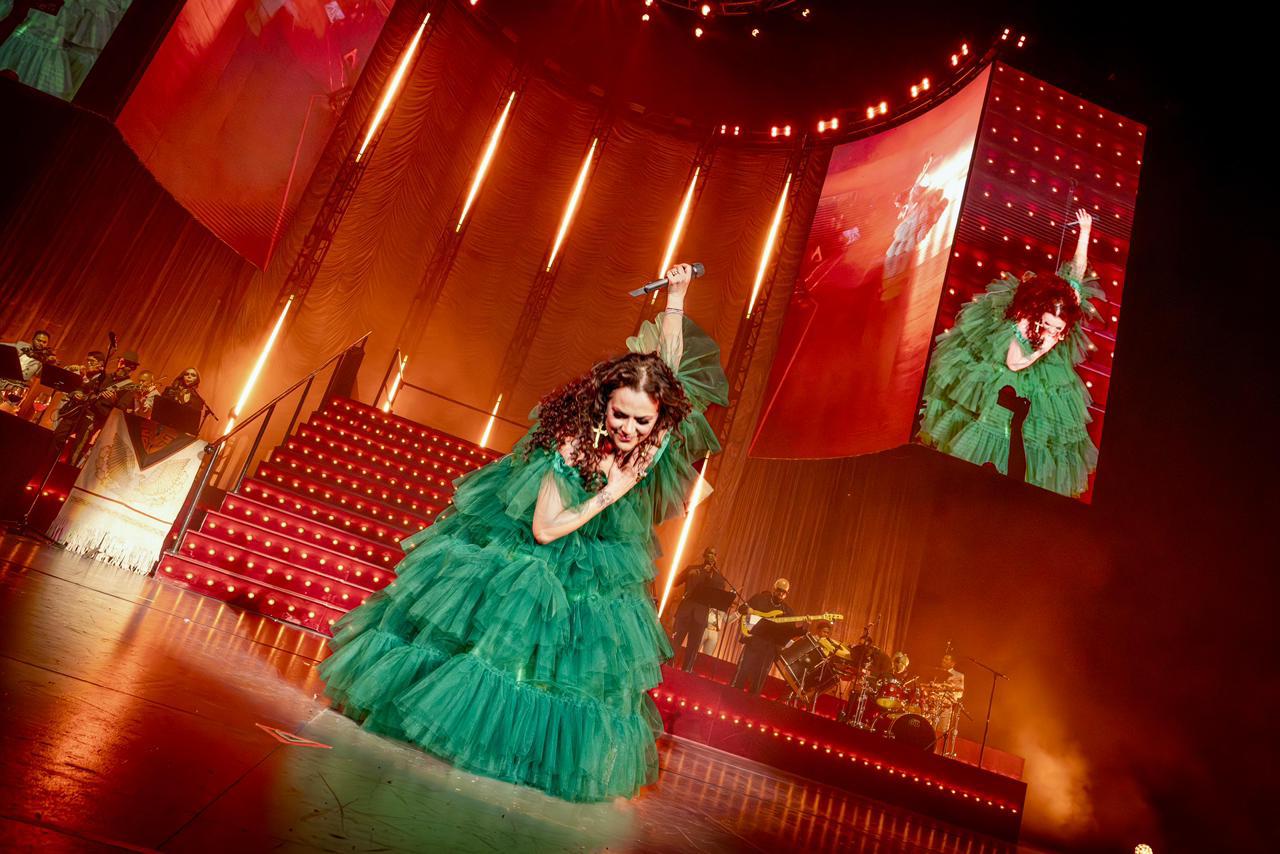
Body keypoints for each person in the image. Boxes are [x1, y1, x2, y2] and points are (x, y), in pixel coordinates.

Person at [319, 264, 728, 802]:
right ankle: (464, 722)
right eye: (620, 416)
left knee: (579, 651)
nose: (629, 430)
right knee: (515, 622)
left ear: (660, 415)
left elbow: (669, 364)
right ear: (604, 405)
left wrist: (676, 296)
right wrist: (610, 491)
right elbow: (544, 531)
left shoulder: (661, 422)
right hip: (550, 534)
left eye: (642, 422)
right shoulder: (573, 445)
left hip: (603, 547)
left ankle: (534, 750)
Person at [918, 209, 1100, 498]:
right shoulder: (1025, 322)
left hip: (1047, 369)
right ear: (1039, 316)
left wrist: (1085, 233)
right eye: (1049, 325)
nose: (1054, 331)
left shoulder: (1068, 303)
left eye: (1059, 328)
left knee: (1042, 428)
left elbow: (1077, 272)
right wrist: (1042, 348)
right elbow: (1015, 364)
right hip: (1016, 364)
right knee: (996, 415)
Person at [732, 578, 802, 696]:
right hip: (753, 641)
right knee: (743, 670)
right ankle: (732, 695)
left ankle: (751, 702)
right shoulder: (759, 599)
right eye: (779, 590)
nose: (780, 593)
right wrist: (747, 612)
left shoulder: (788, 611)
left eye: (784, 592)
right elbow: (741, 610)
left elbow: (789, 632)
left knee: (759, 678)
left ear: (787, 594)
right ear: (774, 589)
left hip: (770, 648)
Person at [669, 546, 726, 672]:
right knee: (675, 642)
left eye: (714, 554)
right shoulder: (692, 569)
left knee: (693, 647)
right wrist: (689, 574)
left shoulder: (718, 576)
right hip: (685, 612)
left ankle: (686, 671)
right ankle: (668, 668)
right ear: (704, 555)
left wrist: (711, 573)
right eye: (710, 553)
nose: (712, 556)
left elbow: (721, 591)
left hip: (701, 616)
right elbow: (675, 582)